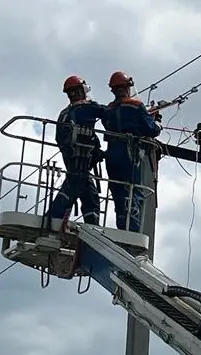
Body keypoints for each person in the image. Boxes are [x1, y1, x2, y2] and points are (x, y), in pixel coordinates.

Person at [100, 71, 162, 233]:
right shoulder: (136, 106)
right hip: (129, 153)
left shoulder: (108, 109)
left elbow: (108, 125)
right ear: (128, 87)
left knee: (118, 192)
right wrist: (157, 123)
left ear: (113, 90)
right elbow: (151, 129)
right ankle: (132, 230)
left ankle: (122, 226)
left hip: (112, 154)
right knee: (133, 191)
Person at [47, 75, 105, 227]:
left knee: (88, 194)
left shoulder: (64, 113)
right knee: (73, 190)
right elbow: (107, 113)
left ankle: (92, 227)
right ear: (81, 90)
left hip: (71, 158)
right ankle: (52, 219)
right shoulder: (85, 108)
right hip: (80, 161)